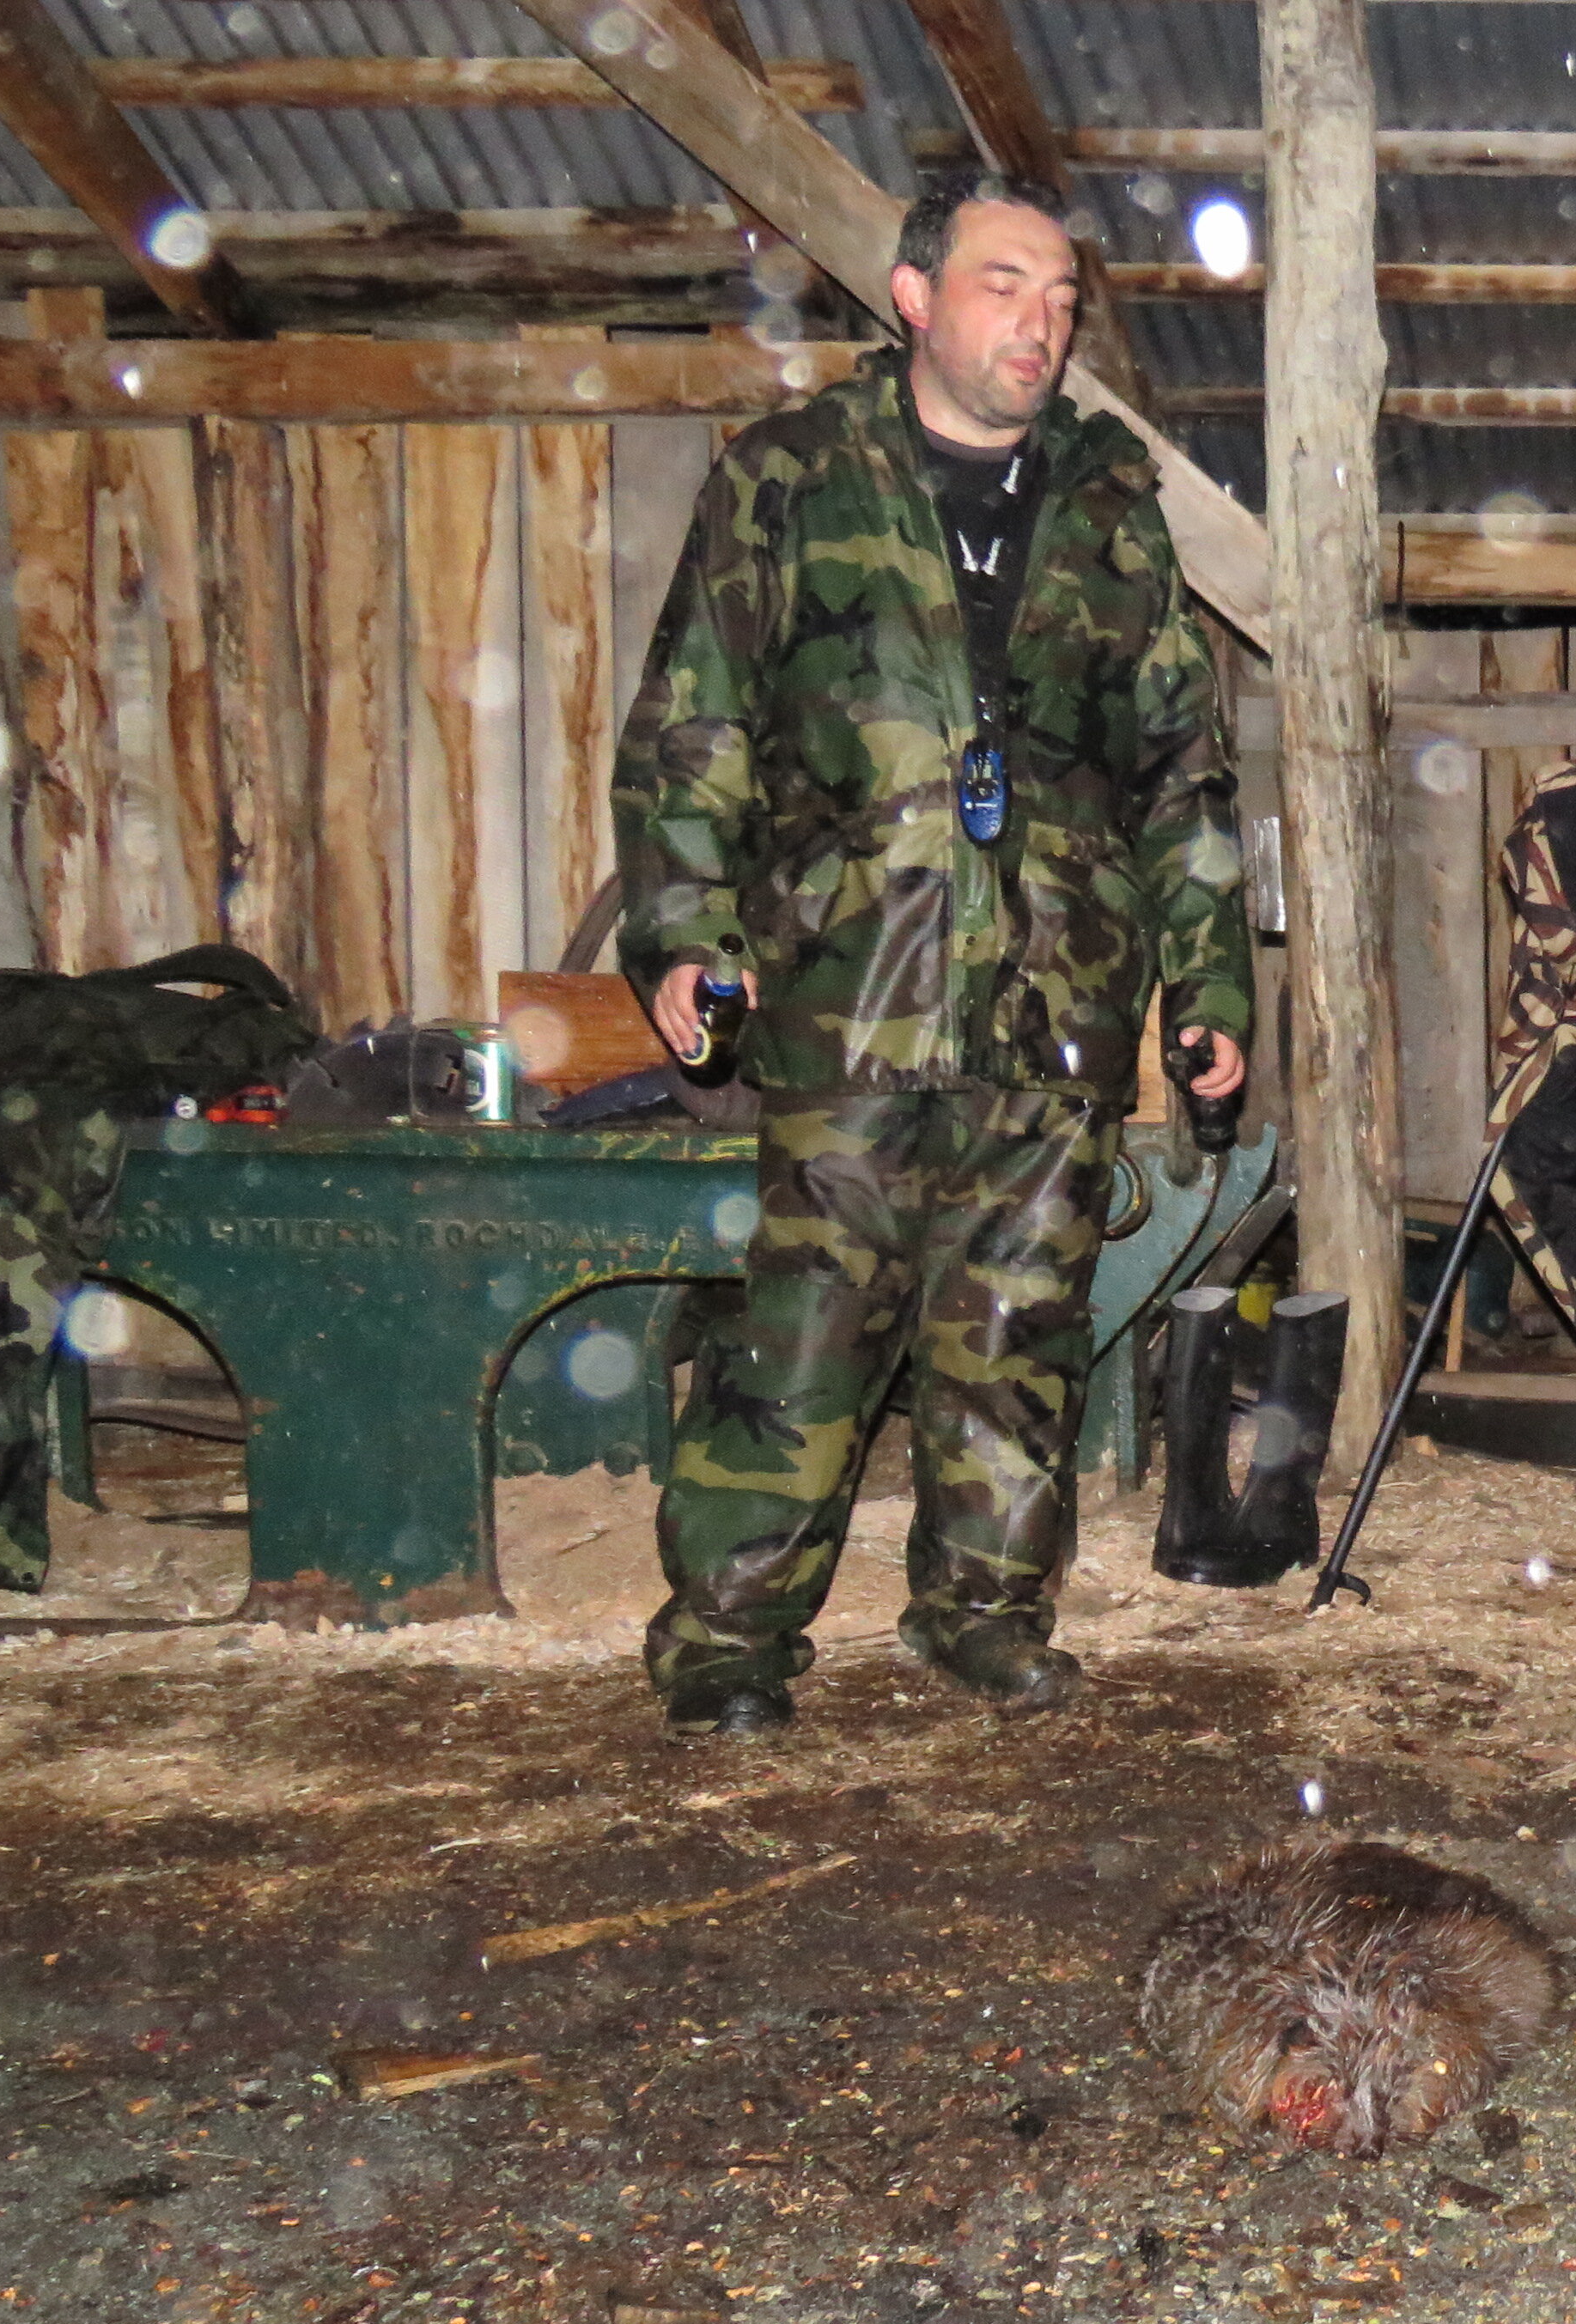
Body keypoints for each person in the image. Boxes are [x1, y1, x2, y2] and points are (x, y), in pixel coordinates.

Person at [617, 169, 1252, 1737]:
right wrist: (684, 930)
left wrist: (1212, 987)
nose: (1034, 326)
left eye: (1057, 301)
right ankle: (727, 1635)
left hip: (1057, 997)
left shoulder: (1110, 504)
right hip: (851, 984)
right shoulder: (791, 476)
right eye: (1000, 287)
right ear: (913, 298)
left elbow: (1181, 770)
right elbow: (694, 726)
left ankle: (979, 1612)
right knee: (806, 1335)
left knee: (1018, 1332)